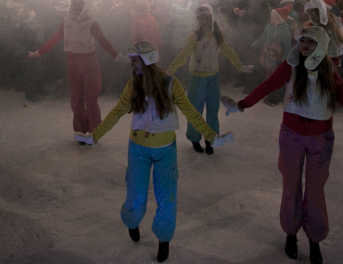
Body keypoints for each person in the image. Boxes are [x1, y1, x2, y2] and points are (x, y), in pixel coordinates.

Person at [223, 26, 343, 264]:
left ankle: (314, 239)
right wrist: (241, 105)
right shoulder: (290, 67)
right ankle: (291, 232)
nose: (304, 45)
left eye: (311, 42)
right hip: (291, 136)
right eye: (302, 40)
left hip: (320, 140)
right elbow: (267, 86)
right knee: (291, 186)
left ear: (321, 46)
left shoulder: (330, 74)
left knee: (315, 191)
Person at [82, 41, 234, 263]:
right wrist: (95, 135)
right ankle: (132, 221)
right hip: (138, 149)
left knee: (167, 196)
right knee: (136, 193)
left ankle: (164, 239)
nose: (131, 64)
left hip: (165, 150)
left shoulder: (171, 84)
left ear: (147, 60)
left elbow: (191, 112)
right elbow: (116, 113)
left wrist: (211, 137)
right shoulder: (133, 85)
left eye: (135, 60)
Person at [28, 0, 128, 140]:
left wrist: (116, 55)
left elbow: (102, 40)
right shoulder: (66, 21)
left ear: (85, 5)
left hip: (89, 63)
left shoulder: (92, 22)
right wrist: (40, 52)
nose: (76, 6)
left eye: (80, 3)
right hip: (73, 64)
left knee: (90, 98)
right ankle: (80, 130)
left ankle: (95, 130)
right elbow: (56, 37)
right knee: (76, 99)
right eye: (74, 3)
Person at [166, 5, 250, 154]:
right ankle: (194, 138)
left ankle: (211, 139)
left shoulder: (217, 35)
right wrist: (170, 69)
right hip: (196, 78)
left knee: (213, 109)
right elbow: (184, 54)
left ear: (212, 18)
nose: (204, 21)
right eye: (201, 19)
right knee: (195, 110)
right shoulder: (194, 37)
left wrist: (238, 65)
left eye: (206, 18)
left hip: (212, 78)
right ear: (197, 20)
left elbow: (228, 50)